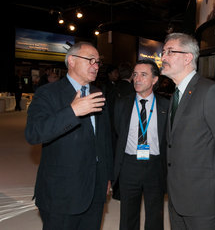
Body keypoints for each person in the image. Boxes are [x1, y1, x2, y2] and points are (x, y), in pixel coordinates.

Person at [25, 41, 113, 230]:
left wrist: (106, 176)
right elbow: (34, 133)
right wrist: (72, 112)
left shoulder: (98, 93)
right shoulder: (47, 93)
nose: (96, 66)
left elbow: (104, 140)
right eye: (90, 60)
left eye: (98, 62)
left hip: (95, 189)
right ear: (71, 61)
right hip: (62, 193)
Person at [160, 33, 215, 230]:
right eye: (163, 52)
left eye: (169, 52)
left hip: (204, 199)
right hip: (177, 196)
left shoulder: (210, 92)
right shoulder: (176, 95)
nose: (163, 57)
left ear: (188, 57)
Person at [113, 60, 169, 230]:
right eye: (135, 74)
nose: (137, 79)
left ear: (154, 79)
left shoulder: (166, 105)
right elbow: (116, 134)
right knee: (128, 216)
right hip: (129, 165)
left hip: (155, 166)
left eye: (143, 75)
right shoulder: (122, 104)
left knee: (155, 215)